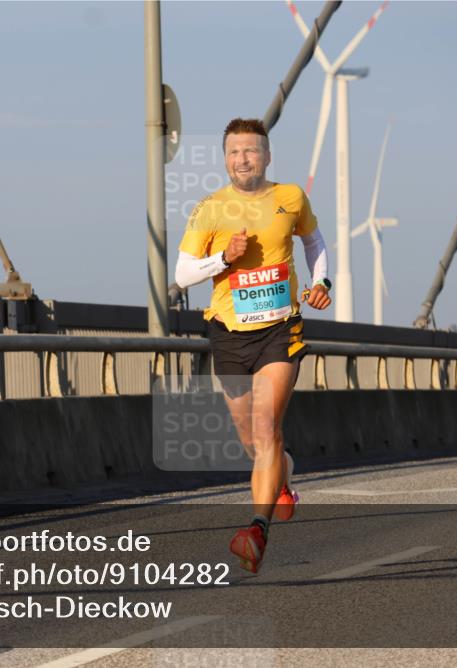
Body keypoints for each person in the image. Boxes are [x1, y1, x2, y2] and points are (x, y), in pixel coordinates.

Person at [174, 118, 331, 573]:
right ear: (225, 159)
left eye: (251, 150)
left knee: (265, 428)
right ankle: (281, 477)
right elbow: (182, 274)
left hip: (280, 330)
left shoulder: (291, 198)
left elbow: (314, 241)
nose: (242, 159)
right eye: (234, 152)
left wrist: (322, 281)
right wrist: (224, 258)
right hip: (228, 334)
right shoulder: (209, 209)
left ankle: (257, 530)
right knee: (250, 440)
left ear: (267, 156)